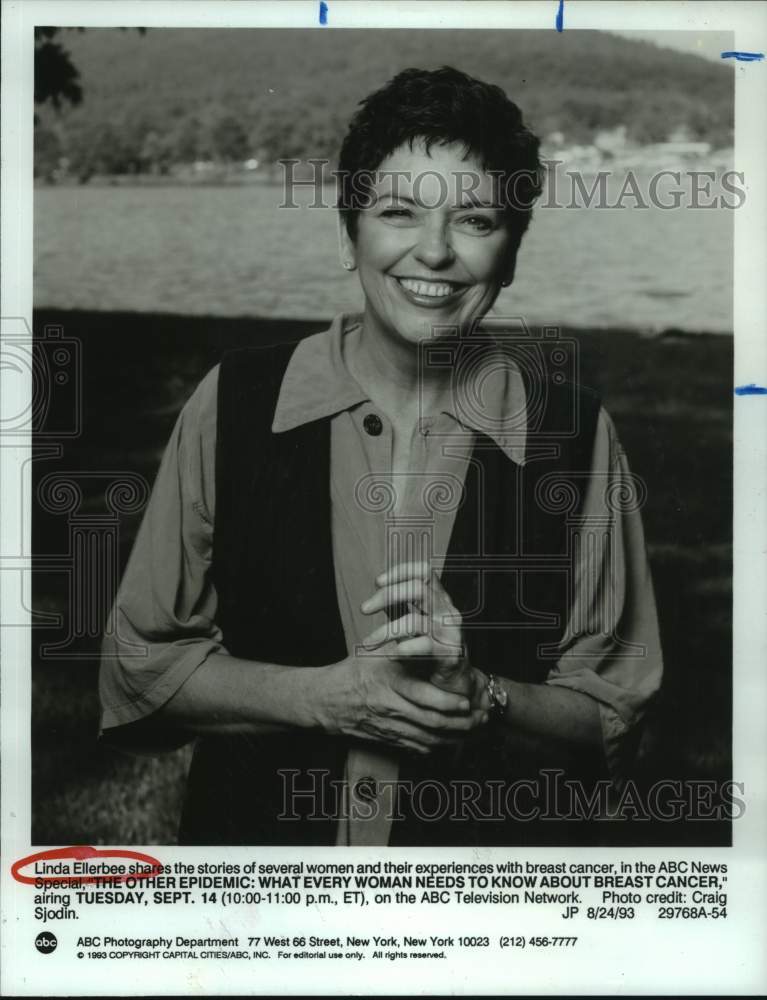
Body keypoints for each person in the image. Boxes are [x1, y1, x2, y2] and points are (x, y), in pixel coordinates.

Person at [99, 66, 662, 846]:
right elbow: (140, 666)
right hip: (257, 906)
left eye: (475, 220)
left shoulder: (573, 434)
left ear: (512, 251)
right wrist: (321, 699)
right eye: (398, 212)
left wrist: (482, 694)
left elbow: (611, 717)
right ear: (346, 234)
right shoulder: (232, 404)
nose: (433, 253)